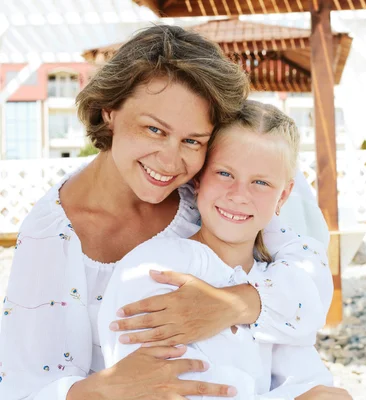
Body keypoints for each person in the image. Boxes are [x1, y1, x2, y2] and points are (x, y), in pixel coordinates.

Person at [0, 25, 333, 399]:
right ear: (109, 110)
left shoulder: (221, 183)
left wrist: (236, 305)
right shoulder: (53, 238)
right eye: (154, 130)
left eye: (192, 140)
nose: (171, 160)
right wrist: (105, 389)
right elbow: (23, 386)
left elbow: (313, 279)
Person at [98, 100, 350, 399]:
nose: (239, 195)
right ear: (198, 179)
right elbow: (153, 386)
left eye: (260, 182)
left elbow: (310, 383)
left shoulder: (273, 284)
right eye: (225, 174)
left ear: (283, 196)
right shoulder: (156, 267)